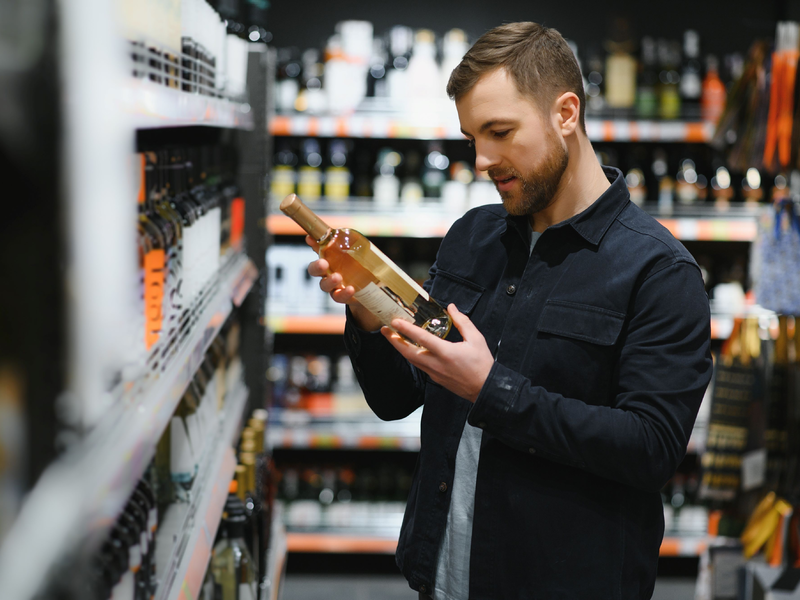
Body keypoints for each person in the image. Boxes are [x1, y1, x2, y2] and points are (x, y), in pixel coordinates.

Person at [306, 22, 712, 600]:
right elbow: (398, 398)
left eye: (500, 132)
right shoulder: (471, 237)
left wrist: (490, 388)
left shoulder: (660, 273)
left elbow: (650, 450)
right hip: (440, 578)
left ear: (565, 113)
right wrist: (370, 316)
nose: (482, 159)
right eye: (473, 137)